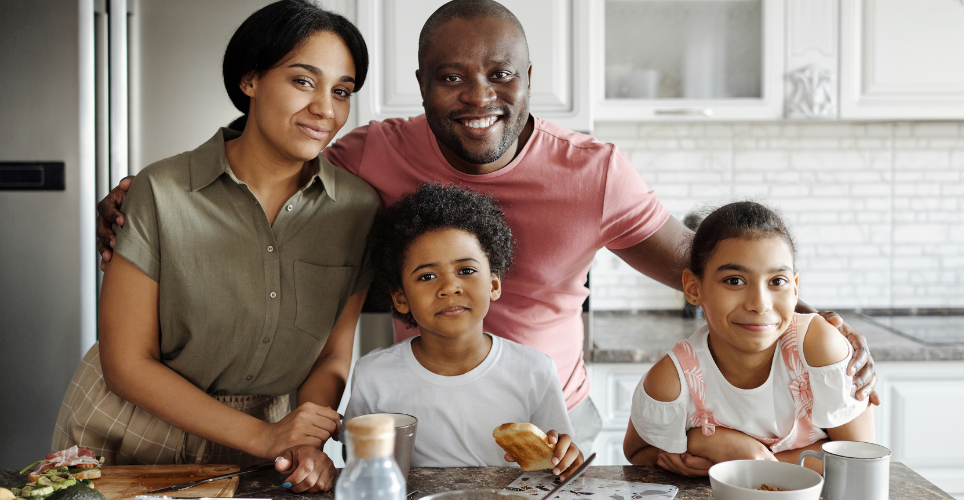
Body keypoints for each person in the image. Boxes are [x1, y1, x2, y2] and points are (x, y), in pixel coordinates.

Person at [94, 0, 879, 463]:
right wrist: (148, 193)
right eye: (452, 76)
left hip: (550, 426)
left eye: (500, 74)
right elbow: (274, 150)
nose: (480, 95)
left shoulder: (594, 172)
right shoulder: (370, 155)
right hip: (418, 419)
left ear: (530, 80)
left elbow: (706, 268)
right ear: (422, 86)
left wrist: (813, 321)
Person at [53, 0, 378, 493]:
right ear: (250, 80)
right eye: (303, 81)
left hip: (262, 447)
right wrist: (266, 437)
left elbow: (331, 357)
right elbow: (126, 361)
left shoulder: (358, 211)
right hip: (126, 430)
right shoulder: (160, 191)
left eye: (341, 91)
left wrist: (303, 439)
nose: (325, 109)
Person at [344, 183, 583, 477]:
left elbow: (555, 463)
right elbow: (356, 460)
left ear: (493, 284)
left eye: (466, 271)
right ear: (401, 298)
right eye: (427, 276)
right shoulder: (373, 375)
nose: (449, 287)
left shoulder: (534, 369)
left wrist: (565, 455)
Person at [623, 201, 874, 474]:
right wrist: (719, 448)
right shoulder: (673, 379)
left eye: (777, 281)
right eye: (734, 281)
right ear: (693, 287)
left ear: (795, 288)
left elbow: (858, 461)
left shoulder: (818, 347)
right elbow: (638, 452)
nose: (760, 304)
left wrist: (745, 457)